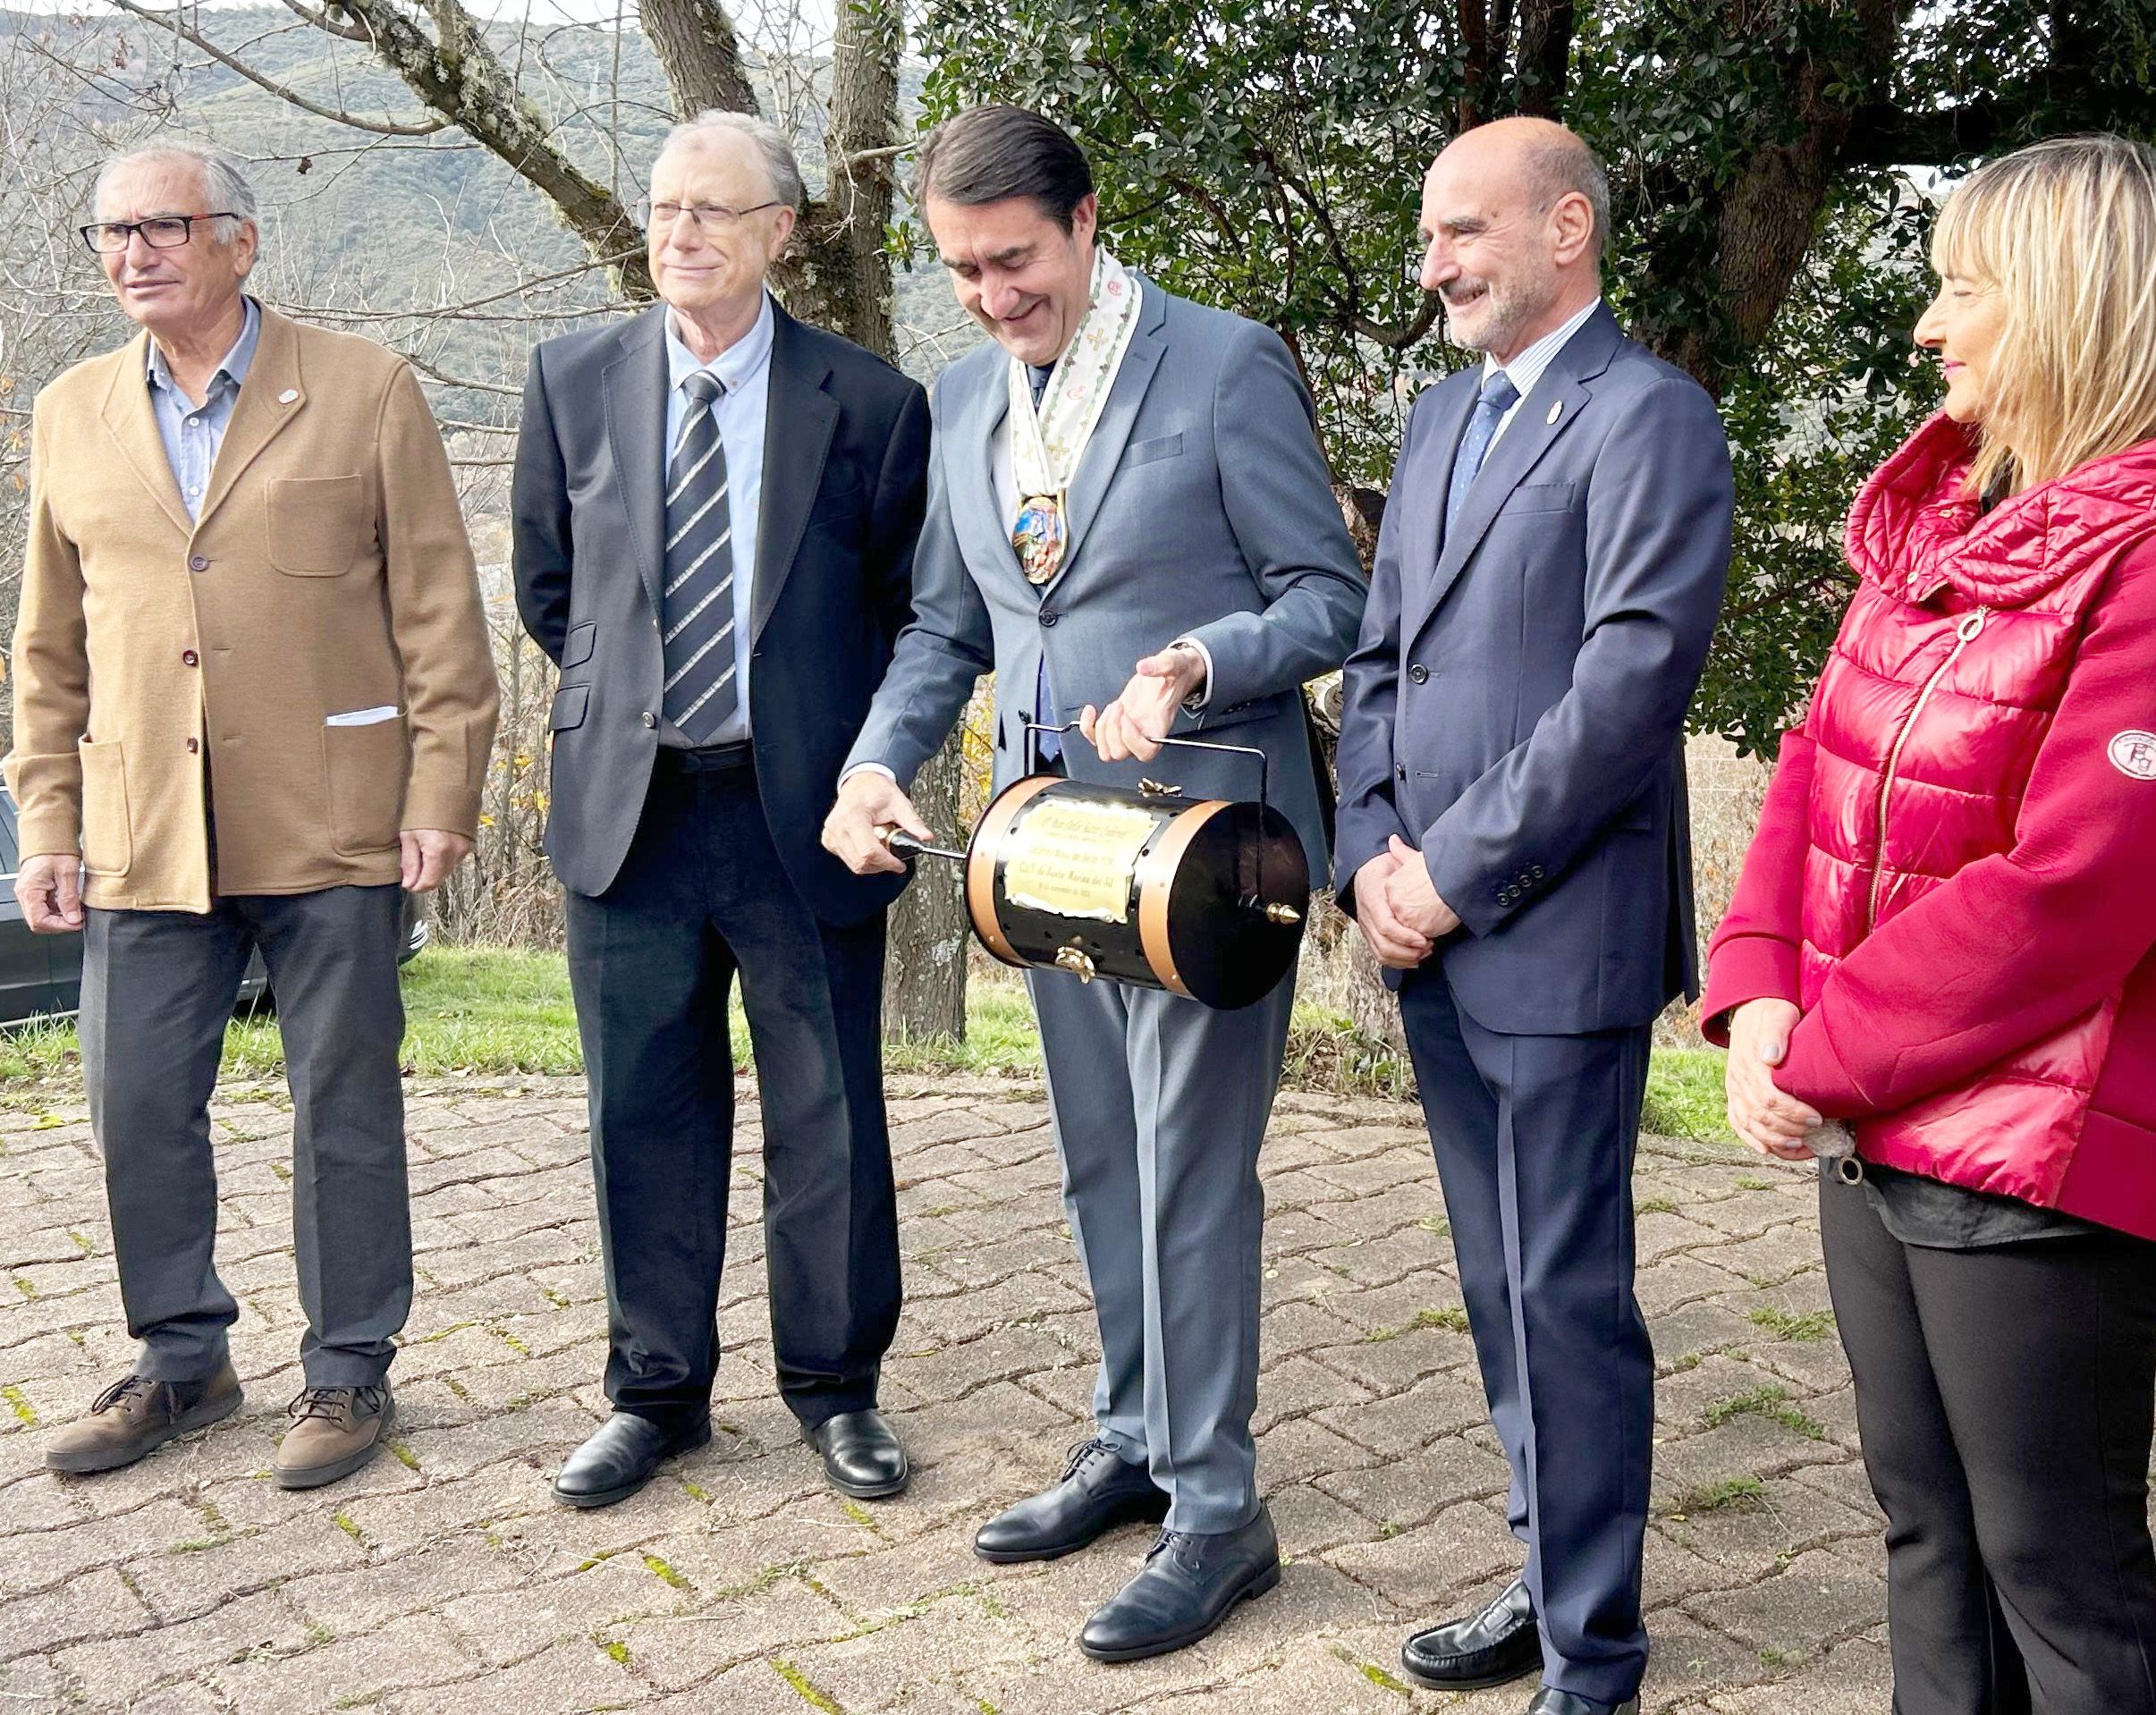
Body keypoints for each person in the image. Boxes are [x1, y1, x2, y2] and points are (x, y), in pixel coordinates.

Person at [822, 105, 1363, 1660]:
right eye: (964, 273)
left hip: (1209, 857)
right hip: (1050, 857)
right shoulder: (968, 399)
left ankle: (1218, 1510)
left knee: (1191, 1175)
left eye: (1014, 261)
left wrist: (1198, 661)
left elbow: (1330, 597)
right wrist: (878, 763)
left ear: (1085, 221)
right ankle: (1132, 1439)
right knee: (1101, 1166)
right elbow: (946, 629)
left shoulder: (1223, 361)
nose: (993, 297)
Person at [1705, 133, 2156, 1713]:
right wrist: (1758, 995)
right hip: (1870, 1120)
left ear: (2063, 304)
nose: (1929, 327)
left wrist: (1821, 1048)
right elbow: (1812, 771)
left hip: (2029, 1165)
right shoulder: (1933, 528)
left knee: (2060, 1576)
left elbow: (2074, 889)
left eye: (1962, 289)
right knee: (1926, 1540)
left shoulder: (2147, 557)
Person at [10, 145, 497, 1489]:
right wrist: (48, 816)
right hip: (140, 826)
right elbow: (48, 645)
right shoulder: (70, 410)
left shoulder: (363, 389)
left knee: (341, 1098)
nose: (133, 253)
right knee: (135, 1103)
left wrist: (440, 796)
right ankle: (182, 1359)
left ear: (240, 242)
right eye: (112, 230)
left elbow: (443, 621)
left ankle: (347, 1369)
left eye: (163, 226)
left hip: (333, 815)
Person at [1334, 119, 1732, 1715]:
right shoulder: (1438, 420)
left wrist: (1450, 867)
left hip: (1554, 937)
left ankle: (1597, 1653)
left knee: (1564, 1296)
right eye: (1430, 236)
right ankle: (1547, 1573)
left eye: (1459, 232)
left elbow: (1627, 691)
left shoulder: (1651, 419)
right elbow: (1381, 662)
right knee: (1496, 1287)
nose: (1431, 263)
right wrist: (1370, 847)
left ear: (1567, 227)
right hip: (1423, 926)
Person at [512, 112, 930, 1509]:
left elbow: (899, 608)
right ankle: (656, 1392)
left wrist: (846, 749)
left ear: (780, 232)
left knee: (828, 1107)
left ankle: (834, 1387)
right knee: (643, 1103)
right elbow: (550, 592)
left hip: (798, 814)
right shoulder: (571, 380)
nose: (677, 232)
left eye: (710, 209)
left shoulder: (869, 402)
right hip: (629, 810)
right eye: (661, 205)